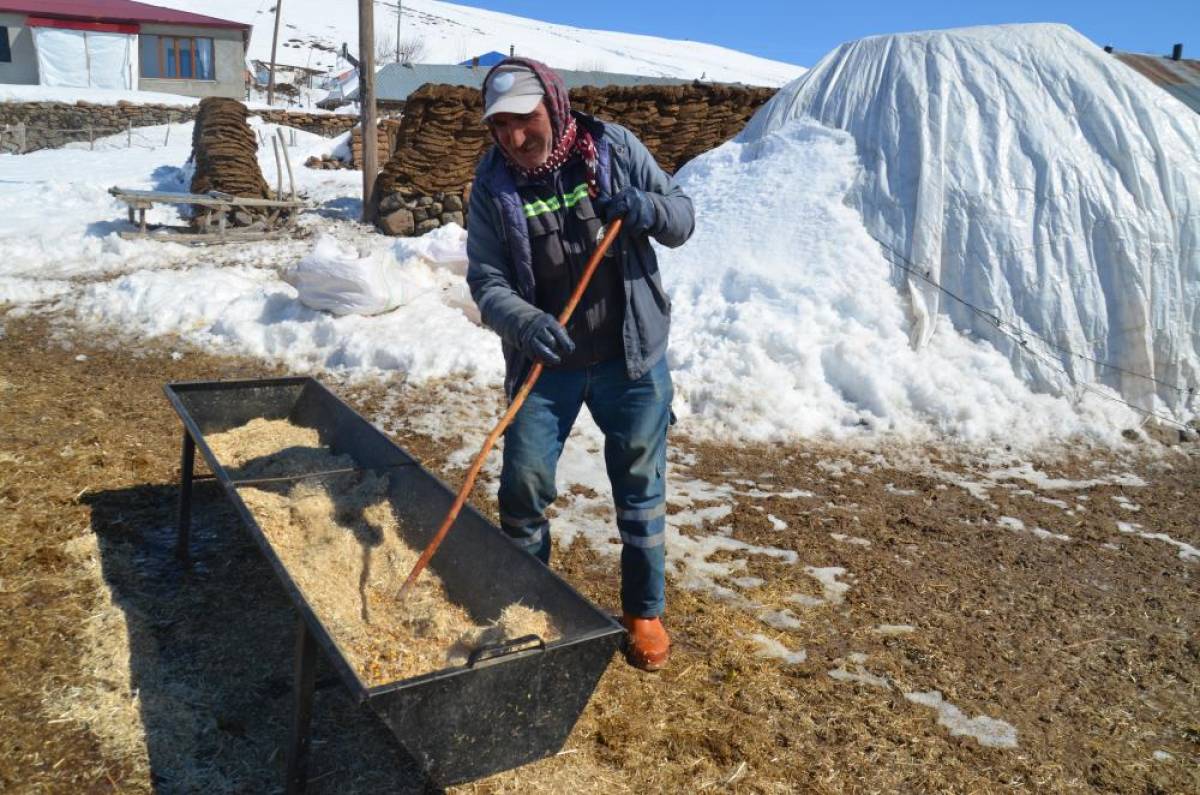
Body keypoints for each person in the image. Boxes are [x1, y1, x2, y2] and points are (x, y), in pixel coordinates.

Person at [465, 58, 694, 671]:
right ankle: (525, 605)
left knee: (640, 485)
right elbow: (487, 280)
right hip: (546, 364)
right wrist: (524, 322)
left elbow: (683, 218)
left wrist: (645, 208)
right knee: (523, 484)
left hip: (630, 357)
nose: (515, 137)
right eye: (500, 126)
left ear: (555, 105)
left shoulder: (613, 148)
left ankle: (643, 610)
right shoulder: (492, 184)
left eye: (525, 119)